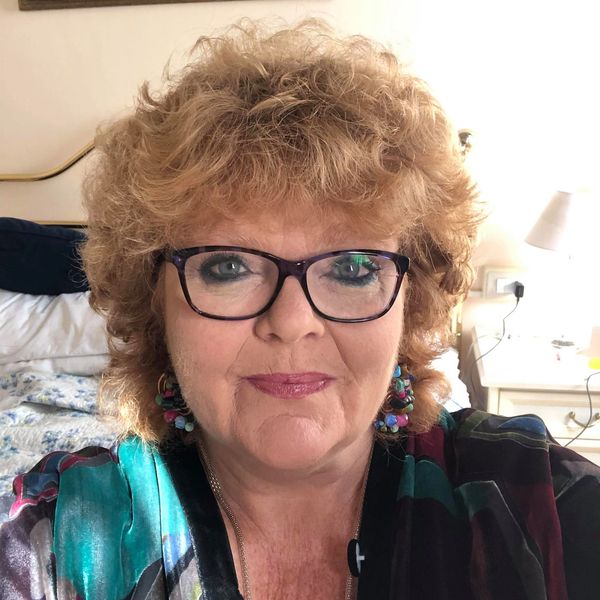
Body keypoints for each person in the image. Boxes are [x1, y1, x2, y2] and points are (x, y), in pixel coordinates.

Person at [1, 19, 599, 600]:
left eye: (353, 268)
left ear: (411, 302)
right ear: (154, 304)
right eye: (228, 267)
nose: (290, 323)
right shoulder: (52, 540)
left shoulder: (543, 503)